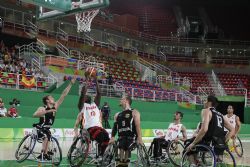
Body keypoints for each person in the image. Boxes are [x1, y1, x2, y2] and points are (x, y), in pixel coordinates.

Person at [33, 78, 75, 160]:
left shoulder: (55, 106)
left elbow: (63, 95)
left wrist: (70, 84)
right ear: (47, 101)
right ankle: (43, 154)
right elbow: (34, 115)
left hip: (47, 129)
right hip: (39, 128)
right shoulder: (42, 108)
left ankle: (45, 153)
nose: (53, 98)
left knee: (48, 134)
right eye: (51, 97)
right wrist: (47, 111)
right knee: (46, 135)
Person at [186, 96, 234, 165]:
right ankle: (197, 161)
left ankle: (193, 164)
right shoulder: (221, 115)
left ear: (209, 102)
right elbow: (232, 129)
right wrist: (224, 141)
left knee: (188, 143)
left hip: (209, 142)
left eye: (205, 100)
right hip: (218, 143)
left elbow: (204, 129)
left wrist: (193, 143)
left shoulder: (206, 110)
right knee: (195, 141)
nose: (204, 102)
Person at [73, 75, 109, 158]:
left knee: (106, 137)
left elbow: (99, 93)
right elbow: (83, 93)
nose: (86, 96)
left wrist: (96, 80)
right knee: (100, 136)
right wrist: (87, 81)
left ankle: (100, 155)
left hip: (98, 127)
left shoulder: (95, 104)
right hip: (88, 129)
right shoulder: (82, 106)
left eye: (86, 96)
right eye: (85, 96)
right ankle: (98, 155)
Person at [109, 96, 143, 166]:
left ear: (126, 101)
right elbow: (115, 127)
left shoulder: (134, 112)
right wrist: (112, 137)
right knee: (121, 141)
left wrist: (139, 138)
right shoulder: (117, 114)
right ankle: (121, 161)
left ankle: (124, 161)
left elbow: (138, 126)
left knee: (125, 141)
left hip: (131, 138)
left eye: (122, 99)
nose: (120, 100)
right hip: (121, 138)